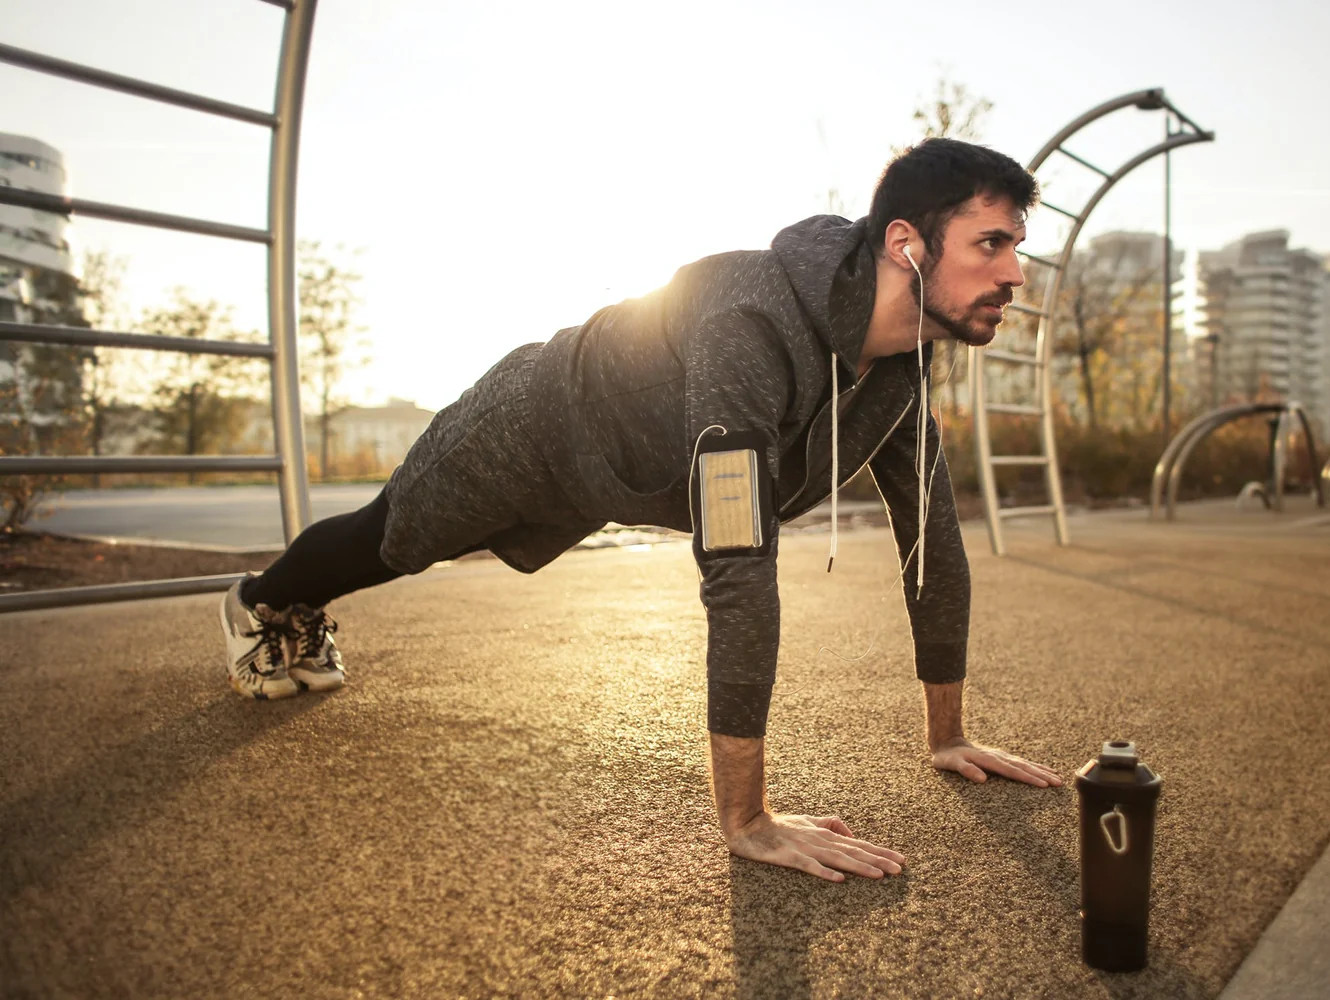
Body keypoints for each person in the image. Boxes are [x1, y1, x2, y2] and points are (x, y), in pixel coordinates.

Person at [219, 137, 1064, 882]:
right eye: (990, 243)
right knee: (393, 541)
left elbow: (932, 539)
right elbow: (737, 557)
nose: (1015, 274)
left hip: (618, 475)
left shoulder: (903, 369)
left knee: (400, 542)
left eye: (1017, 247)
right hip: (530, 425)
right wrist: (748, 819)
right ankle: (262, 600)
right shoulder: (751, 321)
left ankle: (289, 606)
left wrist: (948, 735)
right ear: (906, 244)